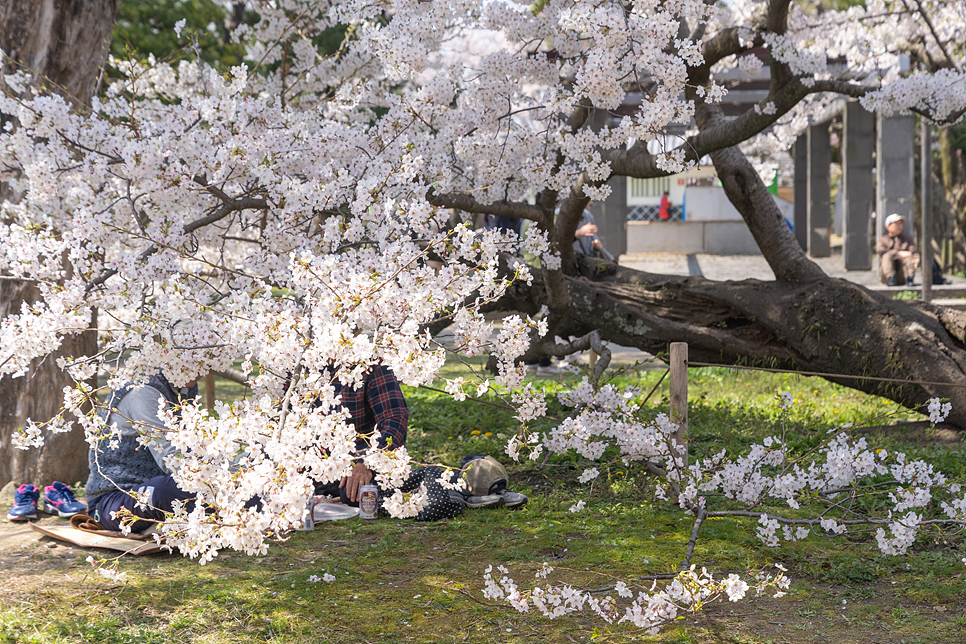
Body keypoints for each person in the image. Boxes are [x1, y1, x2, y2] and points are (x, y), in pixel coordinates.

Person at [86, 372, 202, 532]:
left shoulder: (186, 386)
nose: (200, 368)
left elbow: (189, 447)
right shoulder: (142, 389)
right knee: (163, 491)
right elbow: (173, 461)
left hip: (164, 484)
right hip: (114, 500)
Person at [877, 213, 920, 287]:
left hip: (903, 274)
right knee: (887, 256)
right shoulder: (883, 240)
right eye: (896, 224)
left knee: (909, 258)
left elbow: (914, 252)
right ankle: (891, 278)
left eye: (900, 223)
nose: (899, 226)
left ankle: (910, 278)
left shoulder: (907, 239)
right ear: (888, 226)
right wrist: (898, 253)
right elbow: (881, 251)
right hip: (886, 275)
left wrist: (916, 259)